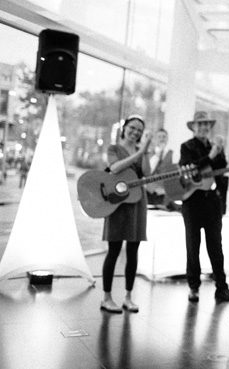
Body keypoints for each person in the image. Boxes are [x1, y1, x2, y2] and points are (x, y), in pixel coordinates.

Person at [179, 111, 229, 303]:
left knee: (216, 246)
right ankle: (193, 287)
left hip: (212, 202)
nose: (204, 127)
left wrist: (218, 151)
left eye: (207, 124)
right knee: (193, 246)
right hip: (193, 203)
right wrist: (210, 156)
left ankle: (221, 287)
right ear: (194, 127)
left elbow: (221, 168)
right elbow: (190, 169)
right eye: (201, 124)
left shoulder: (214, 146)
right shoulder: (186, 147)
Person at [100, 115, 152, 313]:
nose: (135, 132)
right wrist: (139, 153)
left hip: (137, 202)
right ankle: (106, 297)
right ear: (125, 128)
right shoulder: (114, 149)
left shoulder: (141, 151)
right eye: (133, 127)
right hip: (117, 202)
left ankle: (128, 297)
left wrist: (144, 153)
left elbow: (146, 172)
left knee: (133, 250)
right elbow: (114, 168)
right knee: (113, 250)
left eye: (139, 130)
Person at [145, 128, 175, 210]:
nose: (162, 139)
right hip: (150, 191)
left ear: (167, 139)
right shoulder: (149, 154)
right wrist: (157, 156)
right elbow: (148, 171)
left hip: (165, 192)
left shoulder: (171, 154)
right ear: (155, 139)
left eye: (164, 137)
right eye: (159, 137)